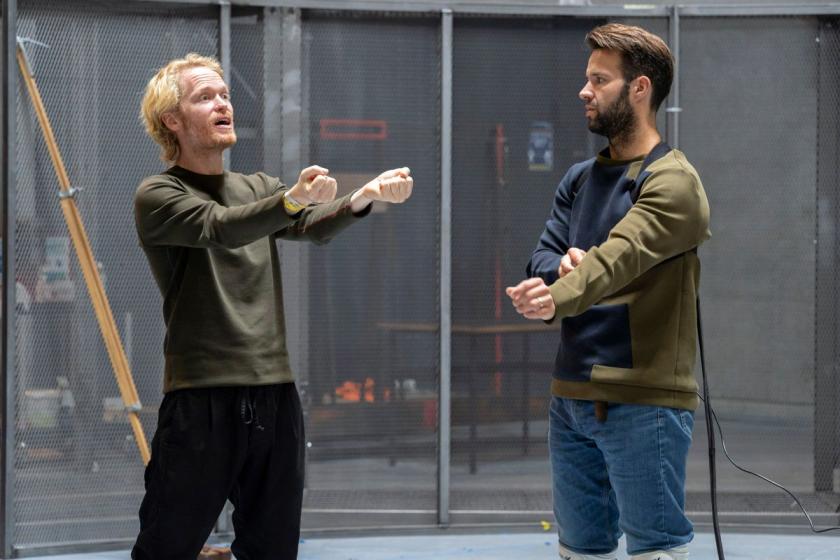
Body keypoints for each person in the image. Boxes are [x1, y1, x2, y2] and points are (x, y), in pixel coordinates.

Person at [131, 53, 413, 560]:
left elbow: (310, 225)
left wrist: (363, 197)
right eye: (204, 97)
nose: (222, 104)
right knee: (167, 546)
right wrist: (292, 201)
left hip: (275, 396)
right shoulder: (159, 194)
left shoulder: (257, 186)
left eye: (224, 95)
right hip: (201, 398)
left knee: (273, 547)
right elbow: (221, 227)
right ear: (172, 119)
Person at [506, 24, 710, 560]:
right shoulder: (579, 178)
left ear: (639, 88)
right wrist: (561, 268)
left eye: (600, 80)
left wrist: (559, 291)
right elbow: (542, 256)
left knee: (656, 549)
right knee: (579, 549)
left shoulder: (673, 183)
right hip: (570, 397)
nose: (585, 91)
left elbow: (618, 258)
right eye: (586, 78)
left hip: (642, 402)